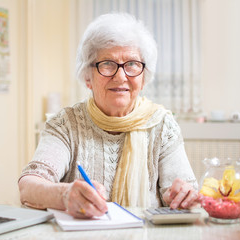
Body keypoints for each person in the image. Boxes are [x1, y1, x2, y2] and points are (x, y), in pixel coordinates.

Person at [18, 13, 200, 219]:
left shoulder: (162, 125)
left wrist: (182, 196)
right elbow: (28, 187)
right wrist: (65, 194)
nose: (121, 76)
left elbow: (186, 194)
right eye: (107, 64)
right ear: (88, 77)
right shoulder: (65, 124)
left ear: (143, 77)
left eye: (131, 64)